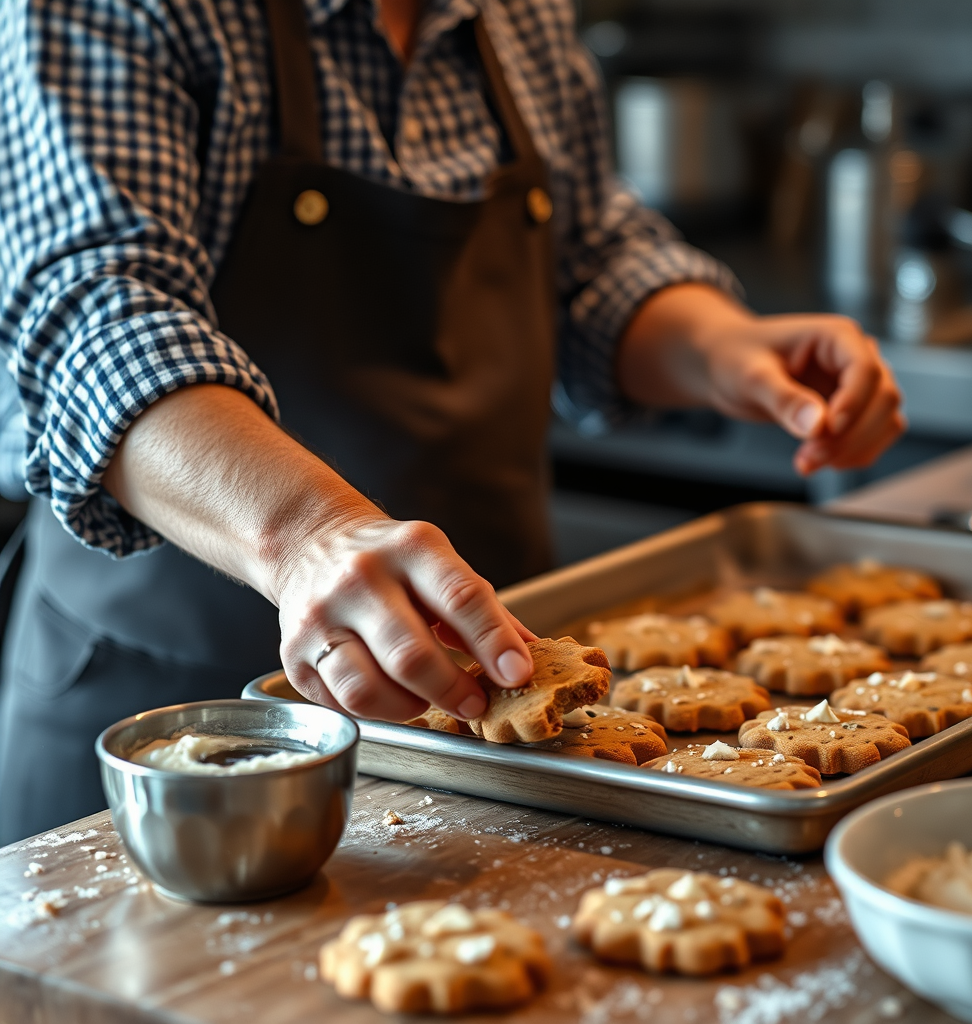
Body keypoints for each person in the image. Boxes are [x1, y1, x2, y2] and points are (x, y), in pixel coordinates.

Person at [0, 0, 903, 842]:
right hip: (171, 731)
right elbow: (91, 317)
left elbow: (589, 258)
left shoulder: (514, 13)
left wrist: (720, 348)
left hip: (499, 725)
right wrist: (307, 534)